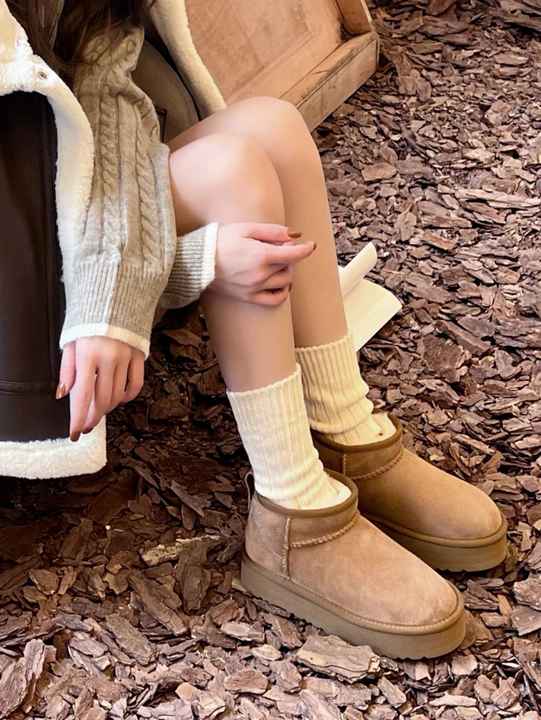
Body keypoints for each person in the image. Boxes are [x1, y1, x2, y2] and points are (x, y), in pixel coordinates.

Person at [3, 0, 508, 658]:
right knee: (232, 175)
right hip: (21, 297)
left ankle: (344, 433)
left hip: (65, 217)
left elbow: (108, 103)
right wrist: (190, 265)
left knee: (271, 128)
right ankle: (293, 510)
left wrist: (140, 275)